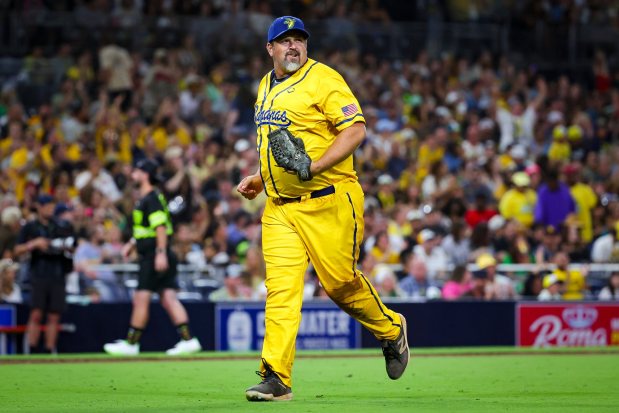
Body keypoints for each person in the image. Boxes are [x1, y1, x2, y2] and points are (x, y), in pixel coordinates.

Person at [237, 16, 409, 402]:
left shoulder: (324, 79)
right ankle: (276, 377)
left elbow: (355, 130)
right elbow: (282, 146)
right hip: (280, 208)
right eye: (284, 41)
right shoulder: (265, 85)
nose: (293, 46)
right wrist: (261, 177)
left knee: (339, 285)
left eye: (299, 39)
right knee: (280, 292)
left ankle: (391, 329)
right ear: (270, 49)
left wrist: (313, 167)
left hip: (329, 199)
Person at [103, 159, 201, 356]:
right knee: (168, 298)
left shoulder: (151, 198)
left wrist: (160, 253)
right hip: (156, 253)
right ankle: (188, 340)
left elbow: (161, 227)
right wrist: (132, 243)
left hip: (154, 256)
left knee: (141, 298)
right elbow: (148, 228)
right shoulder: (149, 198)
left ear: (145, 175)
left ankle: (131, 343)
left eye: (137, 171)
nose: (133, 174)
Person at [14, 194, 75, 353]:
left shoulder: (60, 226)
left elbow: (72, 245)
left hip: (58, 272)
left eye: (51, 206)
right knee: (36, 313)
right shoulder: (31, 227)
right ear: (39, 207)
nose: (49, 209)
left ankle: (49, 350)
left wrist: (64, 247)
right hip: (39, 273)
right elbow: (17, 250)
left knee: (54, 315)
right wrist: (34, 244)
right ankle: (32, 350)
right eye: (46, 206)